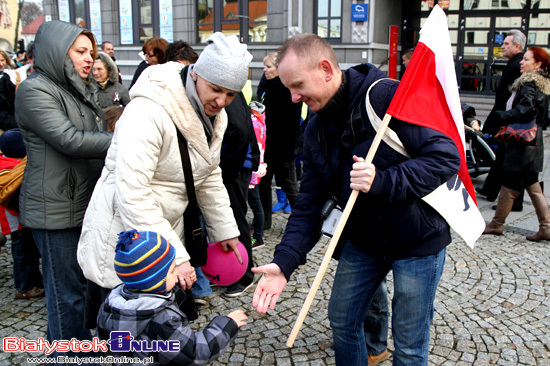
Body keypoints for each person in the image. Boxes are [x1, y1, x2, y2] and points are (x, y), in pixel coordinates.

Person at [251, 34, 461, 365]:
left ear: (325, 69)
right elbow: (307, 207)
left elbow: (445, 157)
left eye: (298, 86)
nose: (293, 97)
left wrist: (383, 179)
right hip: (364, 242)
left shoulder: (386, 97)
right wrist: (284, 263)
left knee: (408, 345)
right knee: (343, 322)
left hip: (418, 241)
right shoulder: (314, 129)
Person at [78, 32, 252, 326]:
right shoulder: (147, 111)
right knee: (124, 336)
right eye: (216, 89)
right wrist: (176, 256)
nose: (222, 101)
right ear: (196, 74)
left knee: (160, 333)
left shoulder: (213, 114)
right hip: (126, 243)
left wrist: (226, 230)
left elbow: (208, 174)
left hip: (162, 237)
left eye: (231, 94)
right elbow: (133, 193)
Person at [14, 20, 113, 362]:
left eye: (92, 52)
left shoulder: (77, 88)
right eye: (81, 51)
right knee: (65, 295)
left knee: (82, 291)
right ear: (59, 52)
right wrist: (125, 140)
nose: (89, 59)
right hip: (54, 210)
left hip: (82, 204)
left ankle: (67, 350)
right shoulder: (35, 89)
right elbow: (69, 140)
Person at [97, 230, 248, 365]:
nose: (177, 273)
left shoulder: (113, 304)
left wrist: (177, 288)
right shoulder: (164, 319)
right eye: (171, 271)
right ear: (155, 281)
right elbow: (193, 352)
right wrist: (226, 326)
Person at [483, 47, 550, 240]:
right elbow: (541, 116)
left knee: (511, 183)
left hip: (522, 143)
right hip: (532, 142)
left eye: (527, 59)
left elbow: (523, 110)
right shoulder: (543, 84)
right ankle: (545, 227)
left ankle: (496, 224)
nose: (522, 62)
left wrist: (500, 116)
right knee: (532, 184)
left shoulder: (529, 82)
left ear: (538, 64)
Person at [478, 30, 526, 209]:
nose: (502, 46)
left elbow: (507, 99)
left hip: (511, 121)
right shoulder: (513, 64)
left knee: (513, 164)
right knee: (503, 159)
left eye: (506, 43)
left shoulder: (516, 66)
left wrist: (496, 119)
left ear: (517, 46)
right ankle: (492, 190)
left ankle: (514, 201)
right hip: (509, 119)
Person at [220, 90, 260, 297]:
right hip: (233, 164)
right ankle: (231, 269)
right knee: (228, 219)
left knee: (235, 220)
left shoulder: (226, 87)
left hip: (234, 166)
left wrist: (227, 170)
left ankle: (245, 275)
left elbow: (239, 131)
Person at [257, 51, 302, 228]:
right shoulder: (268, 84)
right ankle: (265, 221)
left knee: (289, 186)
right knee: (264, 185)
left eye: (268, 67)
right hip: (267, 146)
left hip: (283, 148)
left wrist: (289, 150)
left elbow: (289, 124)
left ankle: (302, 222)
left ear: (279, 69)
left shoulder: (287, 88)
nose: (264, 70)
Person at [0, 129, 44, 300]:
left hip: (16, 217)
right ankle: (24, 286)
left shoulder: (6, 162)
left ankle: (33, 282)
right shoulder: (15, 168)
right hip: (16, 217)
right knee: (23, 252)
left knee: (26, 251)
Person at [248, 101, 267, 249]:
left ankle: (258, 237)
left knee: (255, 202)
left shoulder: (253, 122)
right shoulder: (261, 120)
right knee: (255, 201)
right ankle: (258, 235)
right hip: (257, 165)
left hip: (253, 167)